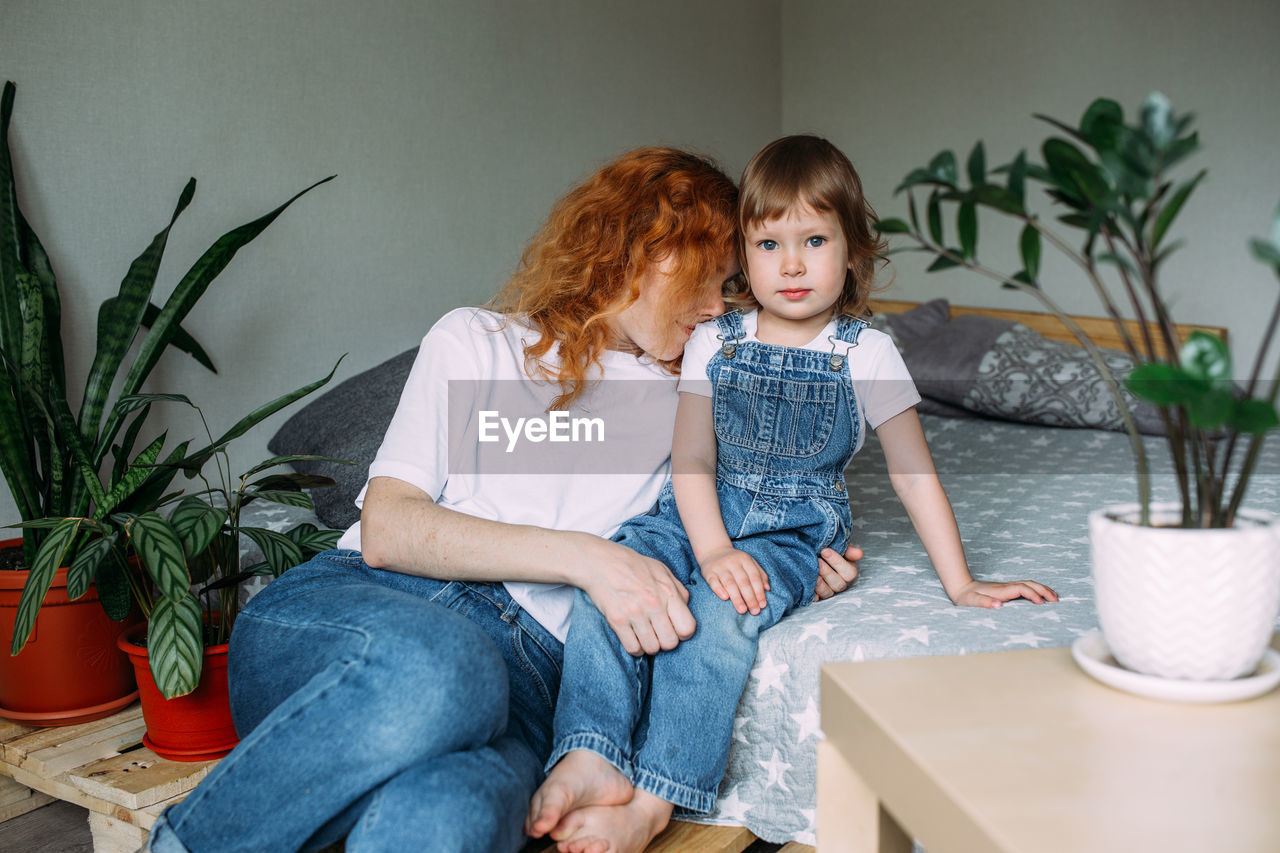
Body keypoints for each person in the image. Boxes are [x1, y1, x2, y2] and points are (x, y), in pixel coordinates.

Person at [144, 146, 866, 853]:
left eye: (731, 286)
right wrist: (589, 561)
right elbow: (388, 528)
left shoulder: (695, 398)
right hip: (364, 613)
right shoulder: (477, 340)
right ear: (645, 245)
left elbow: (767, 497)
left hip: (526, 694)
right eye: (709, 276)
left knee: (445, 818)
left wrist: (798, 559)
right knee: (443, 670)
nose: (716, 307)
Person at [525, 135, 1060, 853]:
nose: (794, 263)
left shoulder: (867, 352)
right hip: (700, 513)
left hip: (795, 531)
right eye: (769, 244)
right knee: (617, 576)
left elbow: (912, 473)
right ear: (744, 256)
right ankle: (589, 751)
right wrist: (710, 546)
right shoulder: (717, 338)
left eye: (814, 239)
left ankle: (653, 800)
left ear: (853, 251)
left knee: (720, 615)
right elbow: (690, 454)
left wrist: (961, 584)